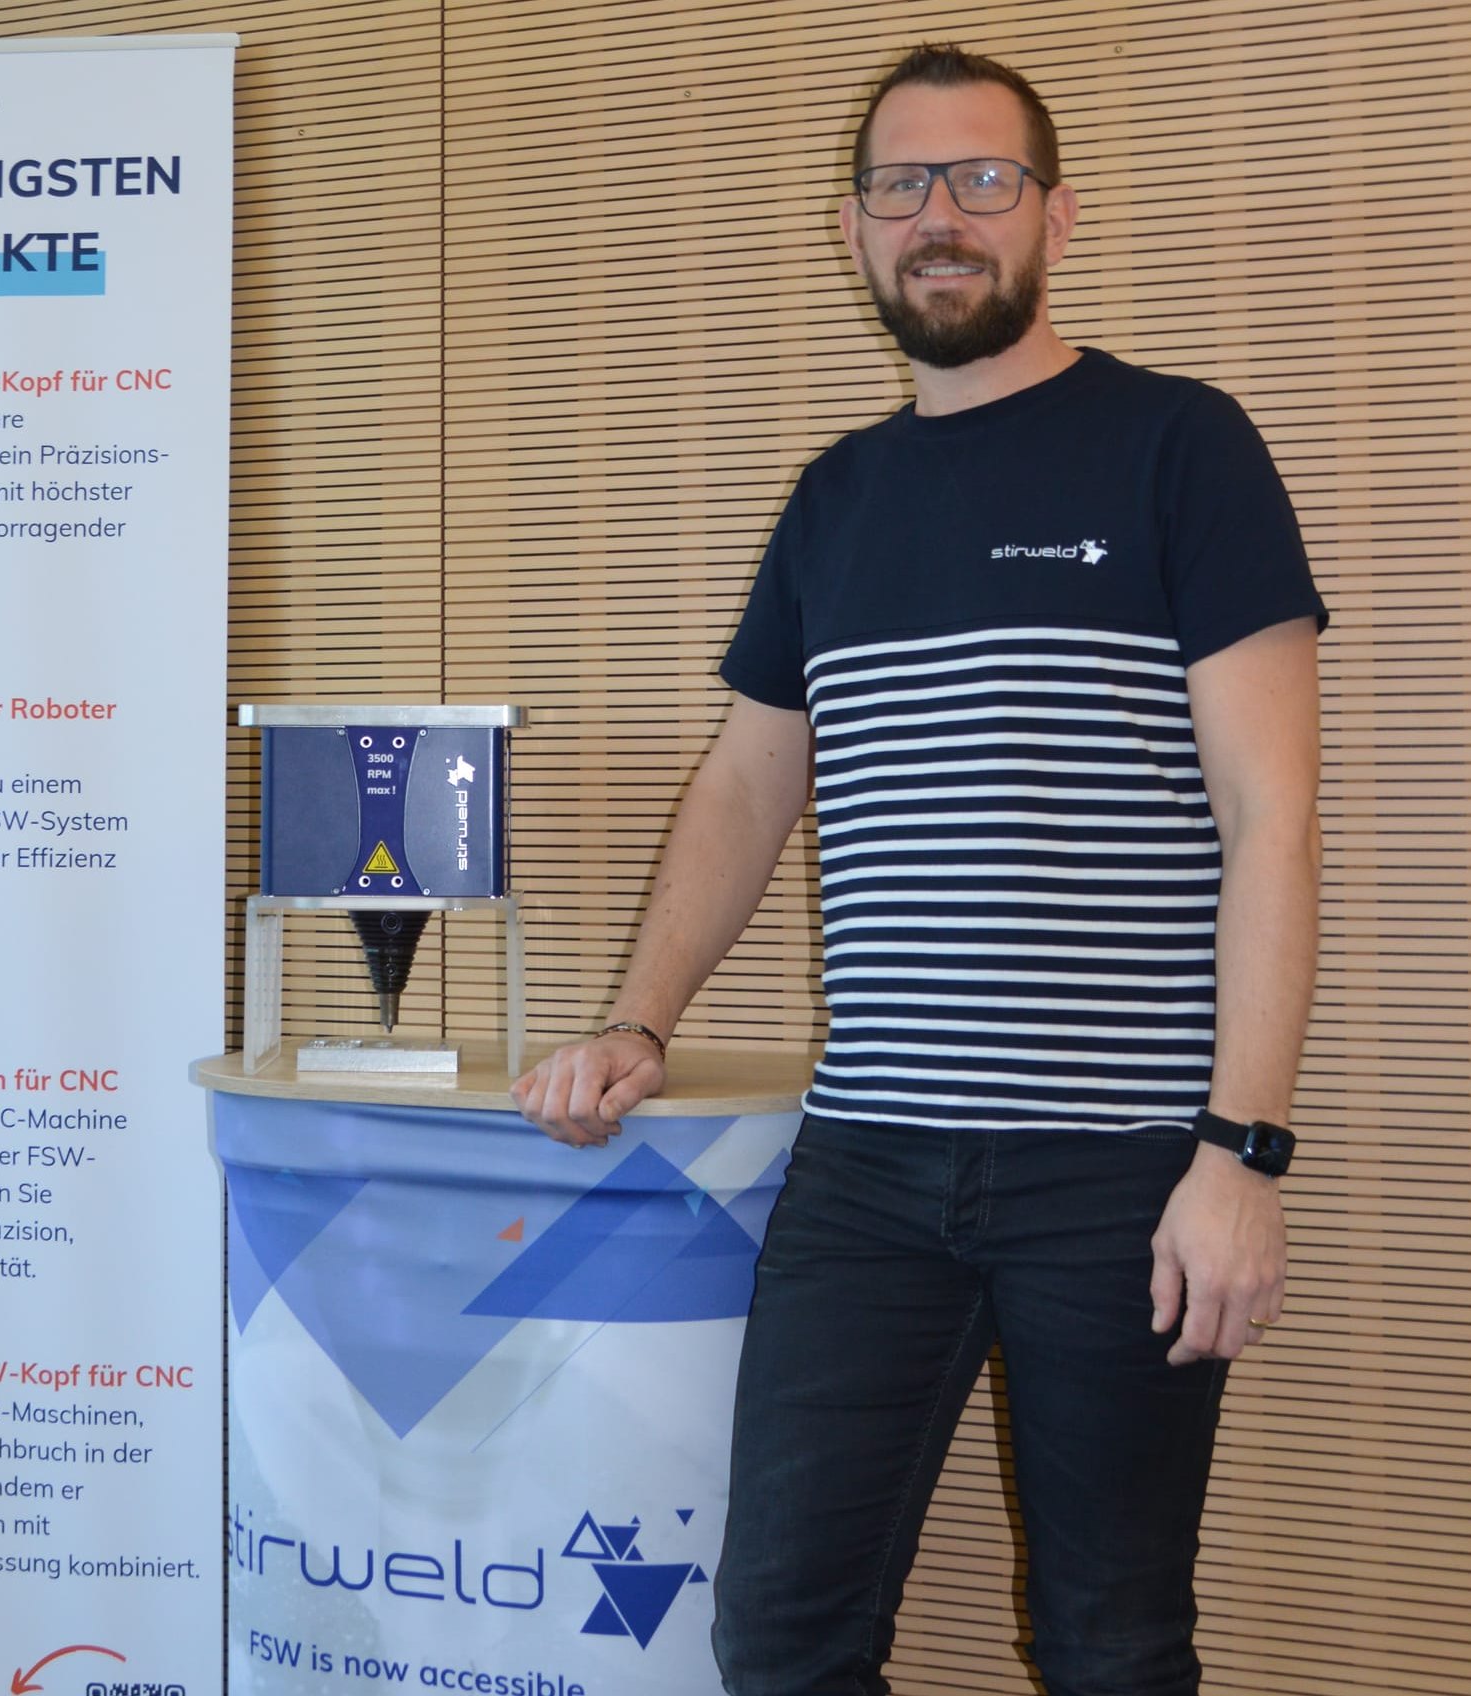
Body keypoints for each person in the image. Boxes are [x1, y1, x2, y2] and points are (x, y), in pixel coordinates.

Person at [510, 42, 1326, 1696]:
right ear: (853, 228)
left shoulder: (1180, 446)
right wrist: (640, 1019)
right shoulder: (836, 499)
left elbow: (1274, 820)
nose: (939, 215)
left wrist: (1243, 1152)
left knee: (1112, 1646)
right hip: (869, 1165)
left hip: (1122, 1171)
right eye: (901, 185)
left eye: (982, 178)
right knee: (781, 1639)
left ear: (1055, 216)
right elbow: (749, 782)